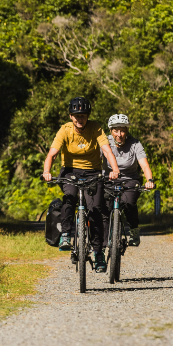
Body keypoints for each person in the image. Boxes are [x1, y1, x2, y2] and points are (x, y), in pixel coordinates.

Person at [42, 97, 120, 273]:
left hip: (93, 172)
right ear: (71, 116)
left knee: (96, 211)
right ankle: (66, 235)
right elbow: (52, 154)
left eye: (83, 116)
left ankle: (98, 252)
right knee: (69, 198)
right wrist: (47, 171)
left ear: (88, 116)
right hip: (69, 171)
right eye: (76, 116)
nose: (79, 119)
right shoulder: (65, 130)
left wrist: (114, 169)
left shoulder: (96, 128)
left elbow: (107, 150)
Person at [104, 114, 155, 247]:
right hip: (108, 179)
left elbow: (144, 165)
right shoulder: (104, 142)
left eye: (122, 130)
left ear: (127, 130)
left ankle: (134, 230)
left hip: (130, 179)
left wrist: (149, 180)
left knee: (128, 202)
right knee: (103, 206)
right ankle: (103, 239)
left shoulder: (135, 143)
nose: (119, 134)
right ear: (111, 131)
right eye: (115, 130)